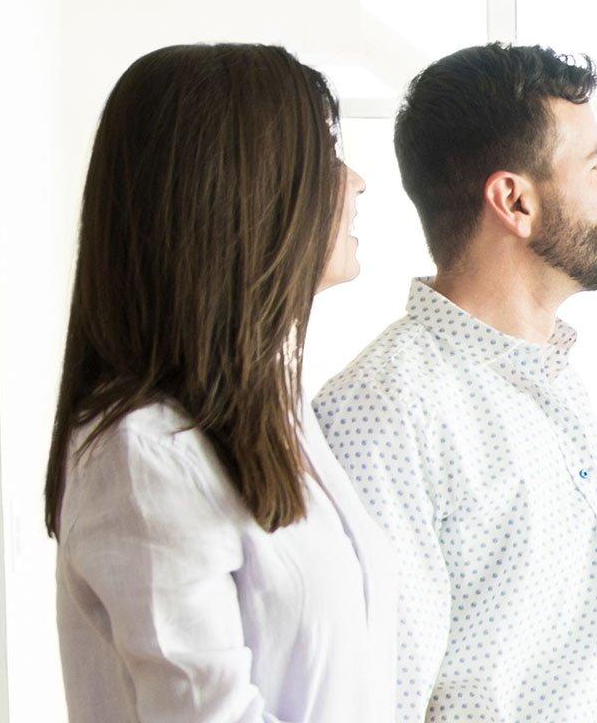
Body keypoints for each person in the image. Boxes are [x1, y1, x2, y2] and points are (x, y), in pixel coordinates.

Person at [45, 43, 393, 722]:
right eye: (320, 155)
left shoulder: (275, 415)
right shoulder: (141, 456)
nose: (355, 180)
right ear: (241, 192)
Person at [312, 42, 597, 723]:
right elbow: (379, 699)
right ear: (513, 201)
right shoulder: (384, 410)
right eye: (594, 165)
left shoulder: (557, 381)